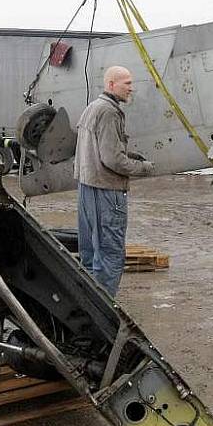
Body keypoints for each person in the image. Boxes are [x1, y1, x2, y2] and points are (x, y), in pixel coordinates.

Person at [74, 65, 155, 297]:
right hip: (106, 192)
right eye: (127, 83)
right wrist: (143, 168)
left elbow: (98, 151)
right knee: (110, 256)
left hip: (87, 189)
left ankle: (88, 305)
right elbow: (112, 160)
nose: (132, 88)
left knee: (89, 256)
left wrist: (128, 155)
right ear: (111, 84)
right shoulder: (110, 112)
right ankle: (104, 312)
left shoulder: (92, 108)